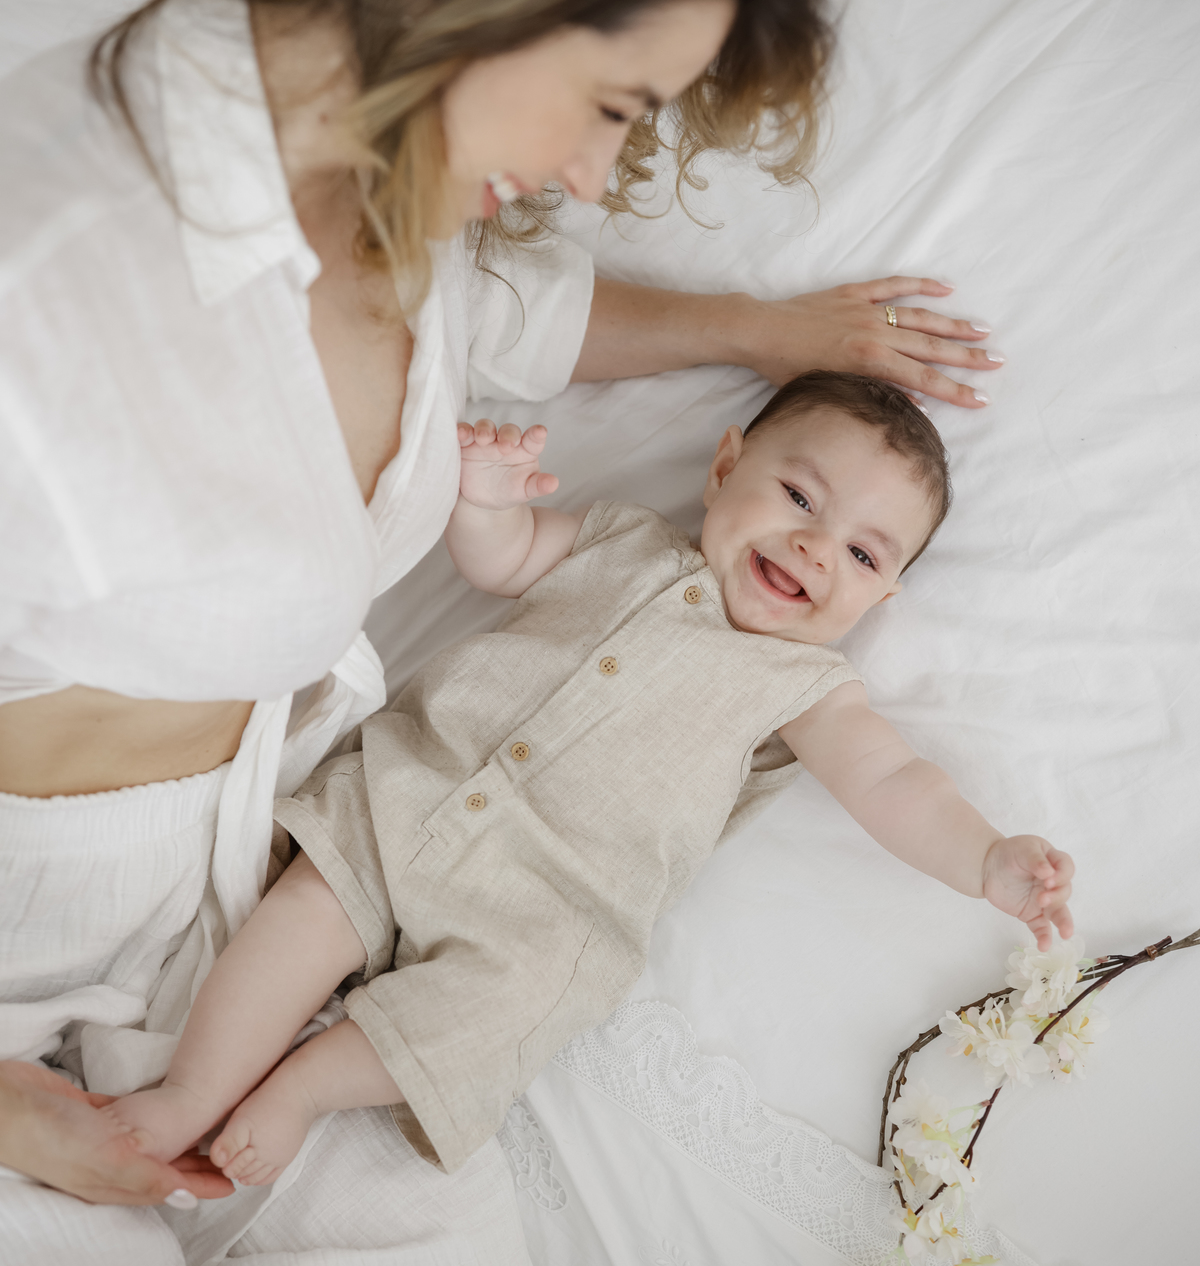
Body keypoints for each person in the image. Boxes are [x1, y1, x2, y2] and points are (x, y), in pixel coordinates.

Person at [0, 0, 1002, 1266]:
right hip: (17, 954)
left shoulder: (401, 182)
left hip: (247, 863)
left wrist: (785, 331)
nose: (600, 168)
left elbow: (525, 315)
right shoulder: (47, 283)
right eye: (616, 105)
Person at [110, 372, 1075, 1190]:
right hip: (413, 794)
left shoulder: (808, 686)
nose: (818, 547)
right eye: (800, 498)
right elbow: (505, 558)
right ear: (725, 465)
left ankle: (306, 1085)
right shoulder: (621, 540)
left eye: (864, 553)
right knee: (306, 908)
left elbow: (893, 782)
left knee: (503, 1013)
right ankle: (190, 1090)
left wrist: (986, 858)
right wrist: (483, 499)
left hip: (553, 912)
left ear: (883, 594)